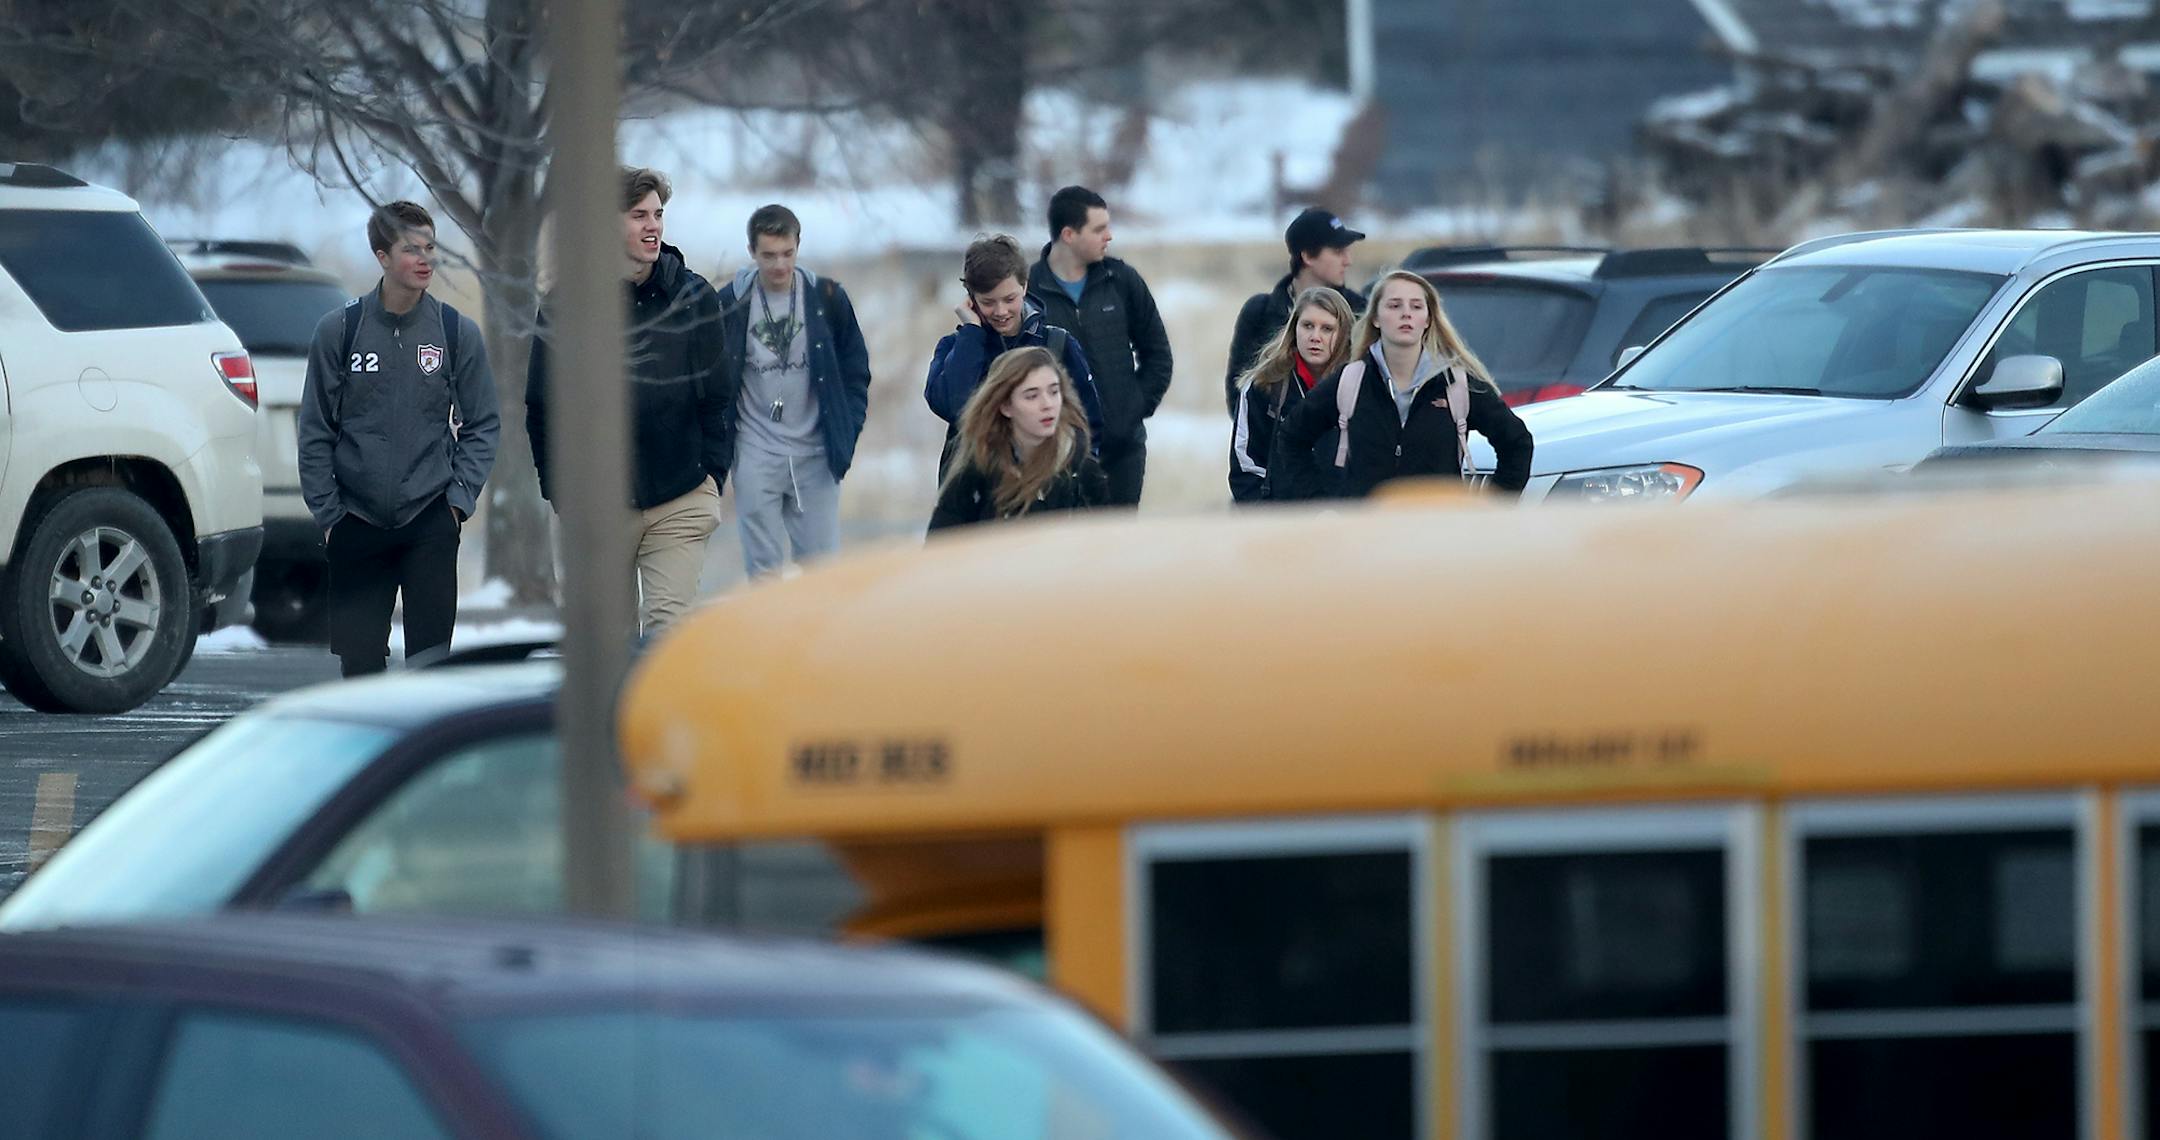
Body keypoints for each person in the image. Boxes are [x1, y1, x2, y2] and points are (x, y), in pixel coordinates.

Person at [298, 200, 500, 677]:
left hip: (430, 517)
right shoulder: (340, 332)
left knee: (432, 668)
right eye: (412, 249)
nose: (425, 259)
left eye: (431, 247)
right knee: (361, 668)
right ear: (382, 256)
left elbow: (483, 424)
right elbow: (315, 432)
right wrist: (331, 515)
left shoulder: (455, 333)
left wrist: (456, 502)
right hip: (356, 520)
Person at [526, 166, 732, 636]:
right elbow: (542, 406)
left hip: (680, 498)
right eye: (638, 215)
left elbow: (718, 396)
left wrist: (713, 477)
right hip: (598, 506)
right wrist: (561, 491)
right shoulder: (568, 304)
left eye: (657, 214)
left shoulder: (693, 297)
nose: (653, 226)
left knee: (666, 635)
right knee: (605, 644)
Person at [1271, 269, 1533, 500]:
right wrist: (1322, 505)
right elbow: (1292, 437)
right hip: (1366, 542)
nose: (1406, 313)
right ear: (1375, 317)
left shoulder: (1457, 384)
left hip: (1435, 543)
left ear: (1428, 319)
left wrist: (1490, 508)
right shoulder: (1350, 381)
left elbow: (1517, 443)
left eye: (1416, 306)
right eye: (1394, 305)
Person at [715, 204, 873, 579]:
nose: (779, 265)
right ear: (752, 252)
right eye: (768, 255)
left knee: (822, 573)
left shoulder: (828, 298)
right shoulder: (730, 303)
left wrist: (846, 432)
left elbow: (856, 370)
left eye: (787, 253)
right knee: (763, 572)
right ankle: (768, 639)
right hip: (755, 449)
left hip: (816, 452)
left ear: (798, 246)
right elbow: (711, 379)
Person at [1027, 186, 1172, 506]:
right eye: (1099, 229)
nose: (1109, 236)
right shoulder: (1029, 291)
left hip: (1123, 452)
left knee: (1117, 548)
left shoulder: (1121, 280)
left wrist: (1131, 411)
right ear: (1068, 234)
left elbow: (1158, 354)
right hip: (1056, 456)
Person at [925, 234, 1104, 475]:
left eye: (1010, 299)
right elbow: (954, 409)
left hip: (1048, 485)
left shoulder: (1058, 344)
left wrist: (1078, 478)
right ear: (971, 299)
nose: (1001, 311)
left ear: (1025, 287)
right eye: (988, 302)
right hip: (975, 492)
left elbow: (1088, 422)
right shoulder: (954, 348)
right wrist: (971, 334)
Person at [929, 346, 1107, 530]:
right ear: (1005, 406)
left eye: (1054, 392)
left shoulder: (1083, 470)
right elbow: (940, 545)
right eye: (1031, 396)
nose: (1048, 405)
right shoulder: (974, 469)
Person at [1224, 207, 1368, 414]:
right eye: (1338, 252)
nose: (1348, 260)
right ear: (1308, 256)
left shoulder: (1360, 312)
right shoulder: (1260, 312)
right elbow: (1240, 390)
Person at [1228, 287, 1355, 503]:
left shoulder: (1361, 385)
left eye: (1327, 329)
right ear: (1294, 329)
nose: (1315, 337)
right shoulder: (1263, 385)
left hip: (1345, 518)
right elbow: (1246, 467)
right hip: (1281, 520)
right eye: (1308, 326)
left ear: (1343, 334)